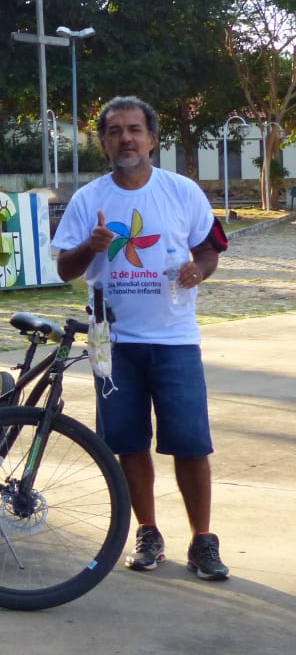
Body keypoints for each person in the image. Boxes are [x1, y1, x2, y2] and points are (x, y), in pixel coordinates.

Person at [52, 96, 230, 581]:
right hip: (114, 344)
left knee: (192, 444)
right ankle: (148, 532)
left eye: (135, 129)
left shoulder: (182, 192)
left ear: (152, 139)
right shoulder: (89, 200)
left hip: (175, 339)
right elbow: (65, 269)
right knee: (129, 444)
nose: (125, 138)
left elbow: (210, 250)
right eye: (114, 131)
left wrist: (199, 270)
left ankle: (203, 541)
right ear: (104, 143)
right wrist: (89, 246)